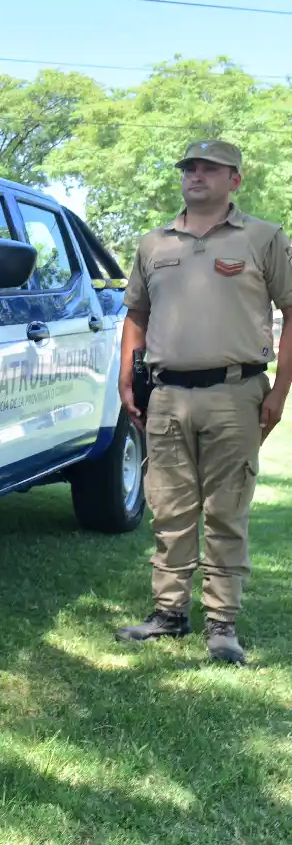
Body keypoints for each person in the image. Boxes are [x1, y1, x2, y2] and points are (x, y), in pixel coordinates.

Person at [116, 139, 292, 665]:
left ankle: (222, 625)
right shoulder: (154, 244)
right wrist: (127, 379)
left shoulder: (263, 238)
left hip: (235, 393)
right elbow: (136, 316)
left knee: (226, 511)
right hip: (166, 396)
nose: (195, 175)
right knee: (169, 509)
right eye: (189, 167)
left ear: (234, 179)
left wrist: (279, 392)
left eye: (209, 169)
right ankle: (169, 614)